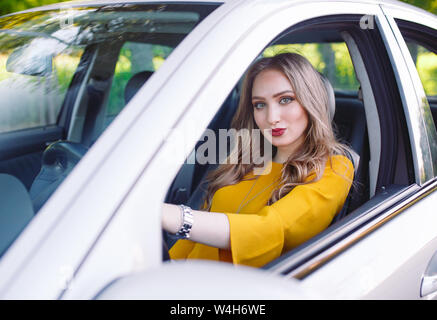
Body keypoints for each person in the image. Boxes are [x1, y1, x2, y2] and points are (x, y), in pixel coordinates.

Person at [161, 52, 354, 268]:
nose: (272, 118)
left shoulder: (334, 168)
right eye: (260, 105)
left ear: (311, 102)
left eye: (286, 100)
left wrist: (174, 216)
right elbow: (193, 242)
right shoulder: (244, 161)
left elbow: (271, 229)